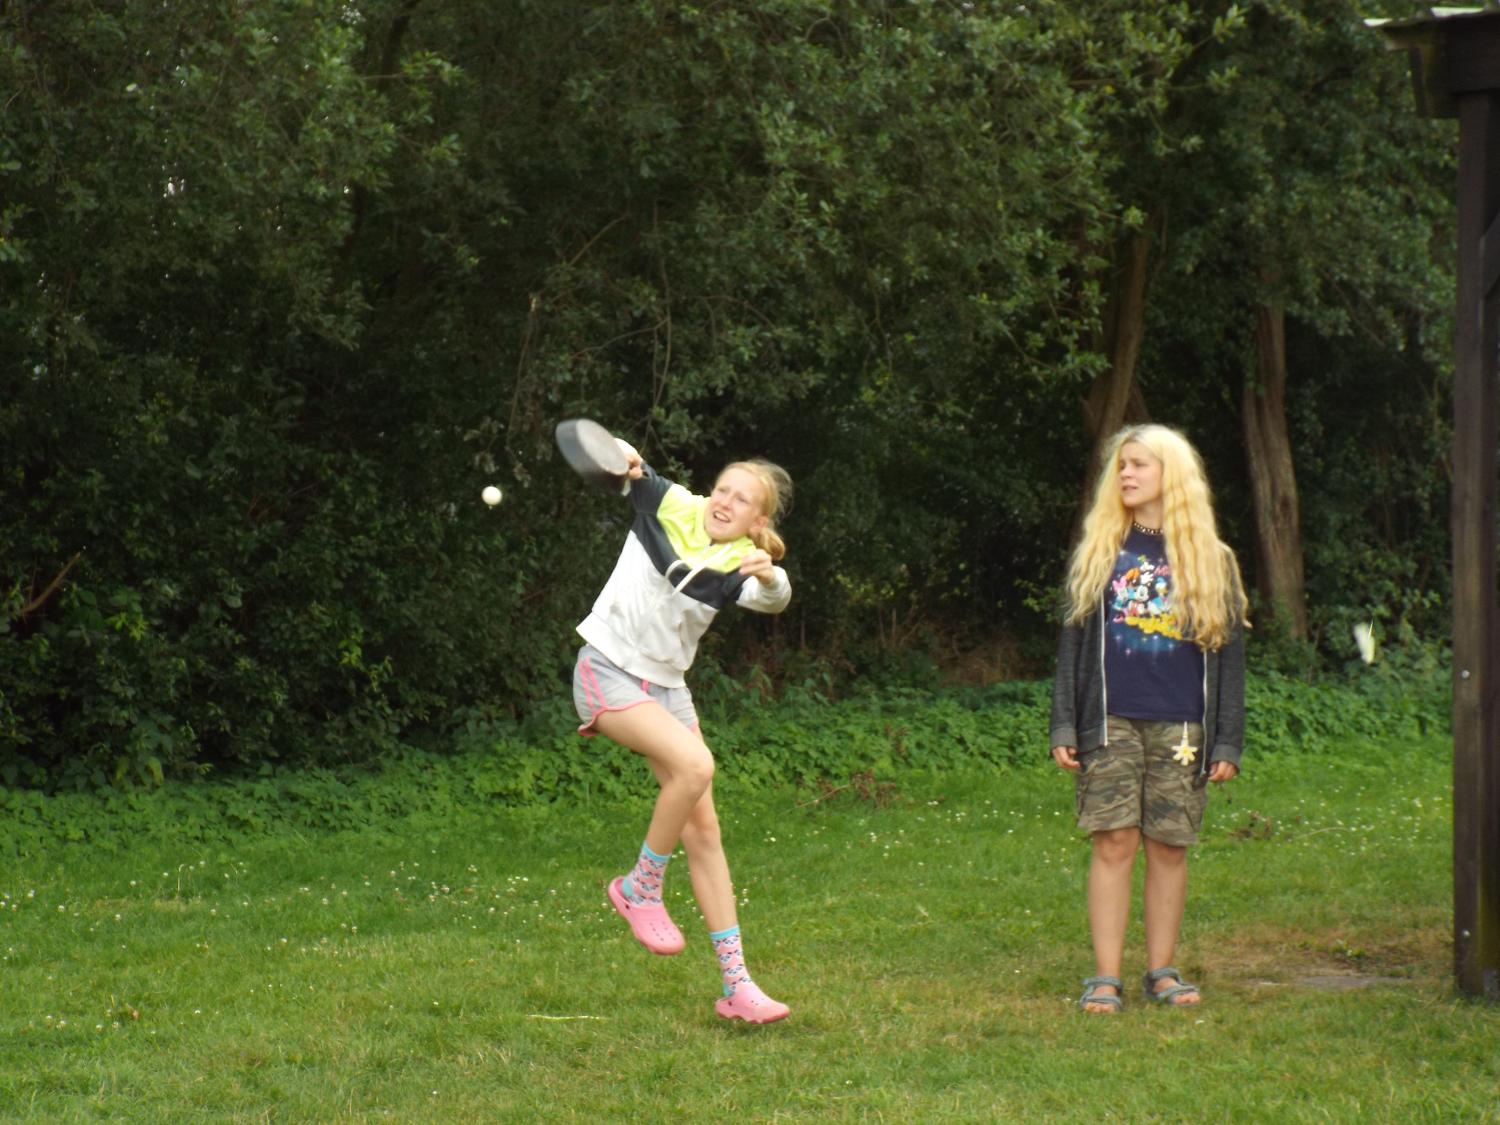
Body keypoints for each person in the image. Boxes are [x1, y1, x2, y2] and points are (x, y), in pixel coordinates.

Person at [571, 435, 794, 1024]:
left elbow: (773, 599)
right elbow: (631, 463)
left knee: (705, 830)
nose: (725, 502)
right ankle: (640, 888)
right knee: (696, 766)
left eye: (741, 499)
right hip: (608, 670)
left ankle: (738, 986)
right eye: (722, 489)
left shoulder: (740, 562)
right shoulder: (671, 502)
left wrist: (771, 576)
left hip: (668, 688)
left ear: (757, 521)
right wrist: (620, 451)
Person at [1049, 424, 1247, 1013]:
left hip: (1183, 727)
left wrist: (1227, 740)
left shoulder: (1213, 560)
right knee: (1114, 841)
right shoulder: (1101, 551)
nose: (1126, 474)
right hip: (1109, 720)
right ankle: (1105, 976)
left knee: (1168, 846)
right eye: (1122, 465)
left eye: (1139, 464)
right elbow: (1071, 649)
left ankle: (1162, 971)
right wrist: (1064, 724)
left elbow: (1230, 660)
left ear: (1171, 474)